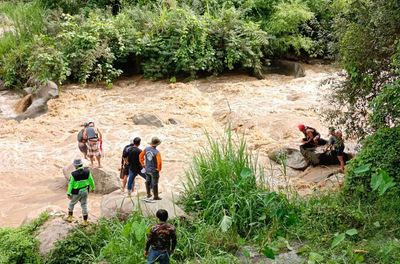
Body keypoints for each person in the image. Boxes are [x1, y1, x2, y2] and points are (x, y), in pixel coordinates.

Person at [66, 159, 95, 226]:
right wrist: (93, 188)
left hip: (76, 192)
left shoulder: (73, 174)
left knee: (71, 204)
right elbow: (91, 181)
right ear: (82, 164)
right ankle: (85, 221)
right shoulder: (87, 172)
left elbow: (70, 184)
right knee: (84, 205)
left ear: (75, 166)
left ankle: (70, 217)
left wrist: (68, 193)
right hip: (85, 191)